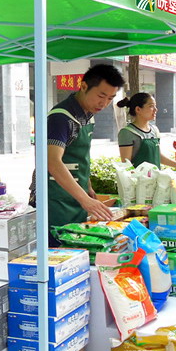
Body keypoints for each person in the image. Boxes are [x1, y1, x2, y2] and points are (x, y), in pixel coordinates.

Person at [29, 64, 126, 245]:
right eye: (101, 96)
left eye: (110, 98)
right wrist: (85, 199)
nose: (104, 103)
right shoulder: (61, 118)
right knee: (59, 251)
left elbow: (79, 157)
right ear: (83, 86)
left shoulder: (88, 115)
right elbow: (52, 161)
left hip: (74, 197)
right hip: (54, 201)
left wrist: (87, 187)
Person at [116, 92, 176, 170]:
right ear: (138, 109)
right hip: (138, 177)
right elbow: (126, 165)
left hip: (156, 176)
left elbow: (159, 156)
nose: (156, 109)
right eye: (151, 106)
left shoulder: (154, 130)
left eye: (155, 106)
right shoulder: (127, 133)